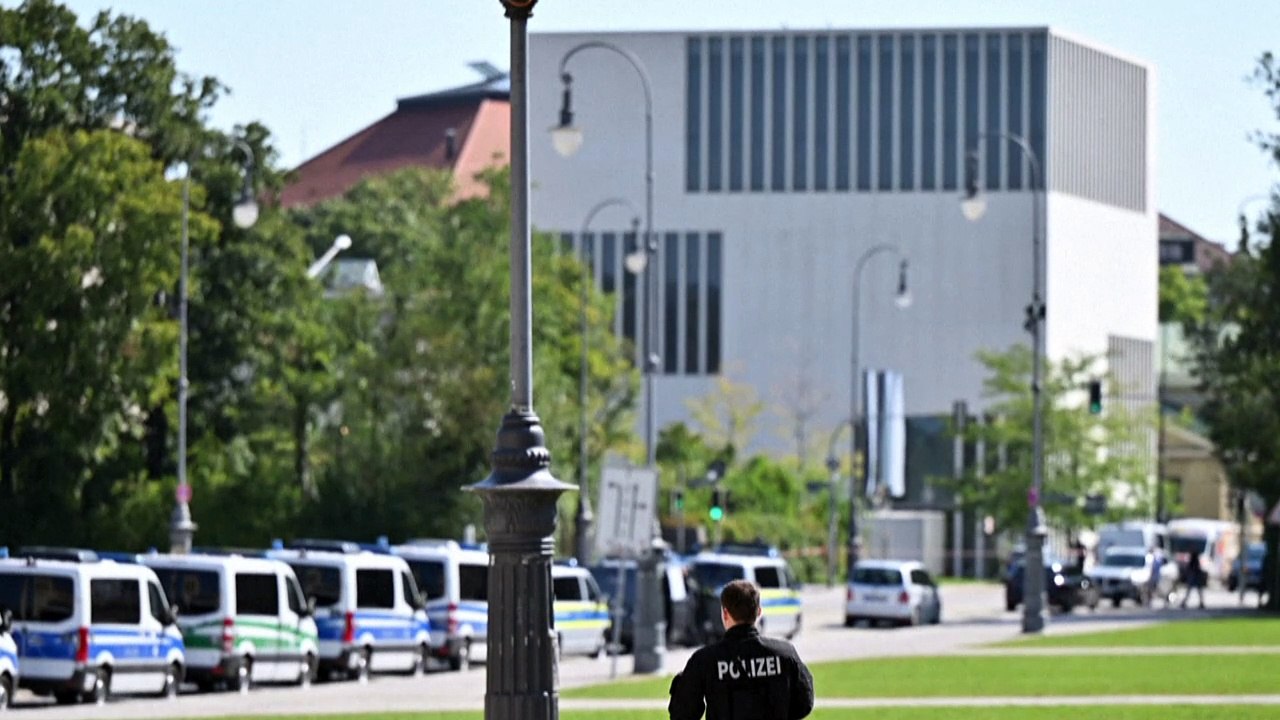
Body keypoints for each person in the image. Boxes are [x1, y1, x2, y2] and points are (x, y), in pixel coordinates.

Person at [668, 579, 814, 720]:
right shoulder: (785, 654)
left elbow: (682, 714)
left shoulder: (705, 660)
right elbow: (804, 703)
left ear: (725, 613)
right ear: (759, 612)